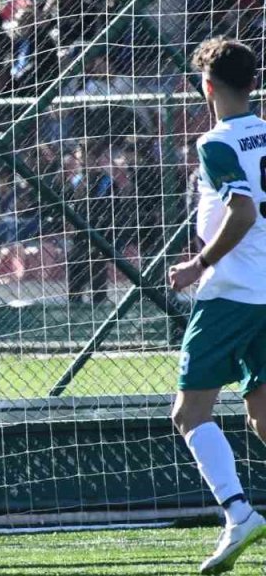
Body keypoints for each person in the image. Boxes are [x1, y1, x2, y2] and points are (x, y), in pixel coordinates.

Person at [168, 37, 266, 575]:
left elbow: (245, 212)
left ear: (207, 86)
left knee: (189, 413)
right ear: (253, 83)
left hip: (232, 294)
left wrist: (198, 264)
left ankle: (238, 514)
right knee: (264, 417)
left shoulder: (216, 142)